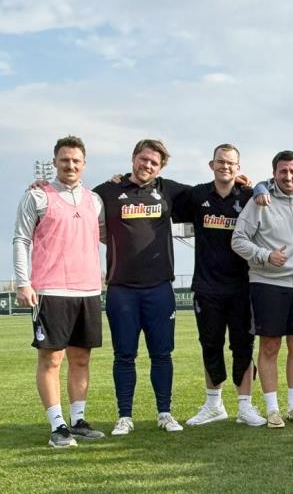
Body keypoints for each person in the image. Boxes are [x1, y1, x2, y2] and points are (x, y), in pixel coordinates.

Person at [13, 136, 106, 447]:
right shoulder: (38, 196)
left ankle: (78, 421)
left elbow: (105, 235)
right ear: (54, 162)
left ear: (84, 164)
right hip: (51, 289)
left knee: (81, 358)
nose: (70, 165)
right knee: (51, 359)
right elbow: (21, 239)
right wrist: (23, 282)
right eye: (64, 160)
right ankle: (58, 426)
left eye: (76, 160)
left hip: (88, 290)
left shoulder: (95, 200)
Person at [94, 139, 190, 435]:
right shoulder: (107, 191)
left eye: (154, 162)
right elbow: (74, 201)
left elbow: (208, 193)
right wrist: (42, 187)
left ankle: (165, 413)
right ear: (134, 158)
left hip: (159, 287)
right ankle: (125, 416)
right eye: (143, 159)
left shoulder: (168, 190)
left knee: (162, 354)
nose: (147, 165)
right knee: (124, 355)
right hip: (121, 289)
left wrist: (245, 183)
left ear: (160, 168)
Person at [175, 144, 266, 428]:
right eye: (221, 162)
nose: (225, 166)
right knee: (210, 345)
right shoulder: (197, 195)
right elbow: (163, 194)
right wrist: (122, 180)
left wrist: (260, 185)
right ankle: (214, 405)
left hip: (242, 286)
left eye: (231, 163)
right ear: (211, 164)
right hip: (207, 287)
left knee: (243, 346)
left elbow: (271, 191)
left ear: (239, 167)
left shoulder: (249, 196)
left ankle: (245, 406)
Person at [231, 151, 293, 428]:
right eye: (283, 171)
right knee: (270, 346)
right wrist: (265, 255)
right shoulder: (260, 201)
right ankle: (272, 410)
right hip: (268, 283)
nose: (288, 177)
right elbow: (238, 240)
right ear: (274, 173)